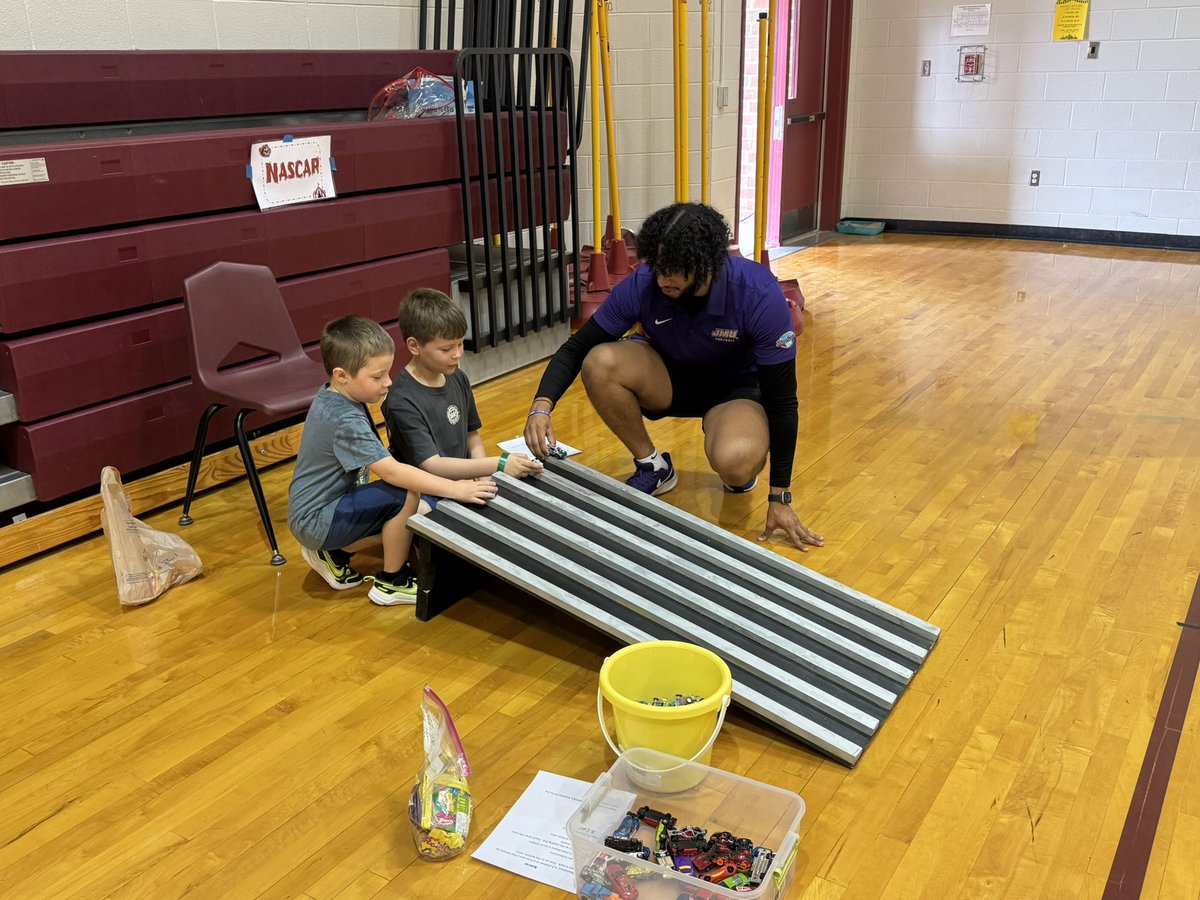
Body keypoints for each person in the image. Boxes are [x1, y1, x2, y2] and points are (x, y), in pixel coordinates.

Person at [523, 202, 823, 551]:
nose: (664, 278)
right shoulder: (645, 282)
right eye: (659, 266)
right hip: (669, 376)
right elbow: (576, 349)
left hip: (735, 388)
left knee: (736, 465)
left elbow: (784, 403)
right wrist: (541, 407)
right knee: (599, 360)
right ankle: (653, 465)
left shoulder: (757, 294)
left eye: (676, 269)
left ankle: (739, 456)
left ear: (707, 264)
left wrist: (780, 496)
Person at [288, 315, 497, 606]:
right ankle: (392, 581)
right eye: (377, 376)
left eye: (387, 372)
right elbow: (392, 472)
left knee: (409, 515)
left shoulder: (336, 396)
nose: (388, 382)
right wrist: (456, 489)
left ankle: (333, 552)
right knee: (406, 494)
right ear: (342, 374)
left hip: (319, 511)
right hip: (317, 520)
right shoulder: (345, 417)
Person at [384, 288, 543, 484]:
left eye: (459, 344)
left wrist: (485, 480)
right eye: (446, 348)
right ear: (414, 346)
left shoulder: (458, 378)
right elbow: (432, 465)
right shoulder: (401, 400)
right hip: (426, 491)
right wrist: (497, 464)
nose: (457, 354)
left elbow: (472, 436)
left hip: (462, 482)